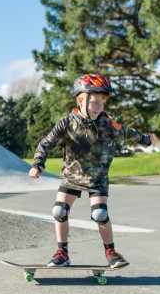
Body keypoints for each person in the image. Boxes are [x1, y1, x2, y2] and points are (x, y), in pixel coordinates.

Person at [28, 74, 153, 268]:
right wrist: (38, 163)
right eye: (94, 103)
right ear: (80, 100)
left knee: (100, 214)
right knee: (59, 211)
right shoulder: (66, 123)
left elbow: (128, 132)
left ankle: (111, 252)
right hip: (72, 177)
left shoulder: (108, 124)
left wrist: (145, 139)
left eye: (102, 104)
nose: (98, 108)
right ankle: (62, 252)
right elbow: (46, 143)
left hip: (97, 178)